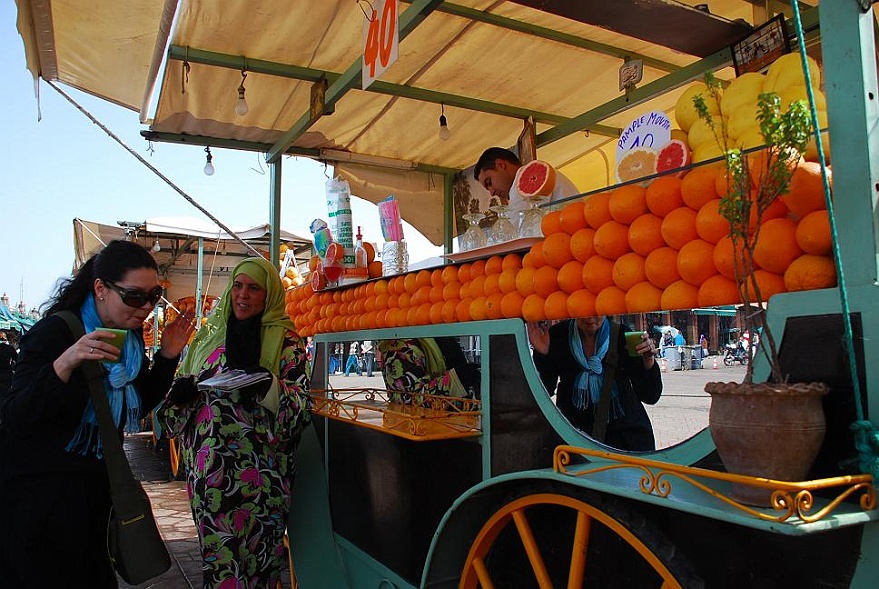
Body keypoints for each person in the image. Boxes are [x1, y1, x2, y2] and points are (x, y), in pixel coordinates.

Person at [0, 239, 194, 588]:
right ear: (100, 288)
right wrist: (65, 364)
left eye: (154, 296)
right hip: (41, 502)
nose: (145, 308)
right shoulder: (54, 333)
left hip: (95, 499)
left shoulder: (129, 341)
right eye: (134, 296)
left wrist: (167, 355)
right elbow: (17, 418)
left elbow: (136, 404)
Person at [157, 256, 310, 588]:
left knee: (261, 565)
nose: (243, 295)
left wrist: (269, 386)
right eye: (238, 286)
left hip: (261, 482)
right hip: (210, 479)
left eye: (254, 288)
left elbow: (300, 409)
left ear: (269, 294)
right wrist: (180, 394)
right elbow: (172, 412)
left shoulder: (288, 344)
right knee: (220, 565)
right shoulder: (208, 340)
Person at [527, 316, 662, 451]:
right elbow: (545, 390)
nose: (590, 318)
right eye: (583, 311)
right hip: (574, 441)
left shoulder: (623, 335)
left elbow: (650, 396)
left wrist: (648, 360)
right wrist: (542, 353)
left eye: (596, 312)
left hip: (627, 440)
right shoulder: (558, 335)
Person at [473, 147, 580, 218]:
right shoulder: (531, 174)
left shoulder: (523, 178)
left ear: (501, 165)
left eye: (489, 182)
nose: (492, 193)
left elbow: (515, 231)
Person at [378, 336, 480, 403]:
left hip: (457, 422)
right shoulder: (398, 345)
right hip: (419, 427)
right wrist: (458, 379)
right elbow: (410, 398)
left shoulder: (440, 335)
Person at [0, 331, 17, 396]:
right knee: (5, 395)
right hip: (6, 374)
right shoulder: (9, 348)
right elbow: (17, 359)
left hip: (6, 374)